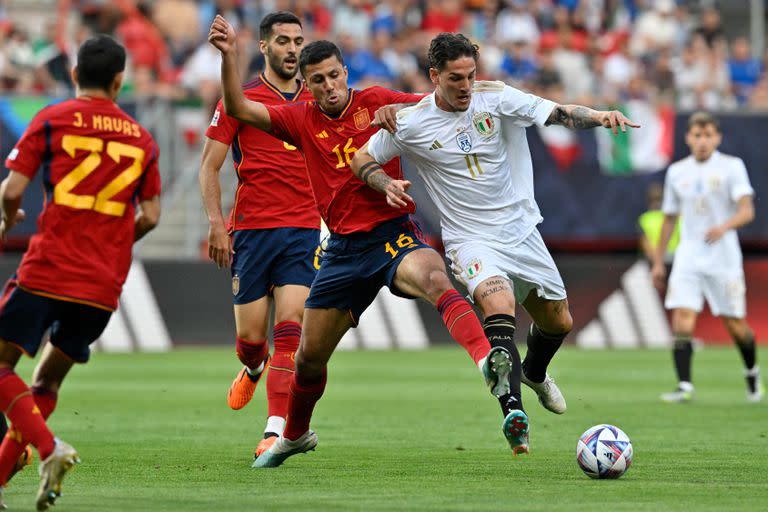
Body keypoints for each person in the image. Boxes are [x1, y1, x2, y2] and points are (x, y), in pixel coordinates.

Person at [208, 15, 521, 466]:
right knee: (308, 361)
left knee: (434, 277)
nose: (329, 86)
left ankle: (486, 362)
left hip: (391, 236)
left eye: (335, 75)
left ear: (345, 74)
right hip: (341, 252)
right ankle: (294, 435)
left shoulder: (376, 101)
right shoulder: (298, 119)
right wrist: (229, 57)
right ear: (307, 85)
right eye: (317, 80)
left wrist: (438, 101)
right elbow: (237, 107)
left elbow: (441, 103)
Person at [351, 33, 639, 451]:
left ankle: (535, 374)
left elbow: (556, 113)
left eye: (470, 75)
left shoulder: (497, 97)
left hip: (520, 230)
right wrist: (384, 182)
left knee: (558, 322)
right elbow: (362, 157)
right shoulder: (410, 122)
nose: (466, 86)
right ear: (434, 76)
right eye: (455, 78)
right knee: (497, 301)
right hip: (469, 239)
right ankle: (513, 414)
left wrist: (598, 116)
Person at [0, 35, 161, 509]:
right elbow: (150, 214)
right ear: (119, 80)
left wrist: (9, 220)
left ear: (74, 76)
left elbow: (12, 192)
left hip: (49, 267)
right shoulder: (142, 138)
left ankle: (49, 447)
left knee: (2, 364)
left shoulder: (51, 119)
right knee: (47, 382)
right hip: (102, 285)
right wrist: (112, 242)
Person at [199, 11, 319, 460]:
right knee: (252, 342)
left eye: (298, 41)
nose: (292, 49)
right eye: (284, 41)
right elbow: (208, 166)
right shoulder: (241, 97)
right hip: (251, 230)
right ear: (265, 47)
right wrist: (216, 222)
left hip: (304, 229)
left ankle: (275, 431)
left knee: (292, 328)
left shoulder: (316, 97)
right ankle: (252, 366)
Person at [651, 111, 763, 403]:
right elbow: (669, 218)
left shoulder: (731, 166)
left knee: (734, 323)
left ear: (717, 137)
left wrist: (724, 226)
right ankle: (684, 385)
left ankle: (752, 371)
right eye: (697, 135)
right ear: (688, 138)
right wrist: (658, 260)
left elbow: (747, 210)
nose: (702, 141)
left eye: (708, 135)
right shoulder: (677, 171)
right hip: (688, 255)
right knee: (683, 318)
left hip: (723, 257)